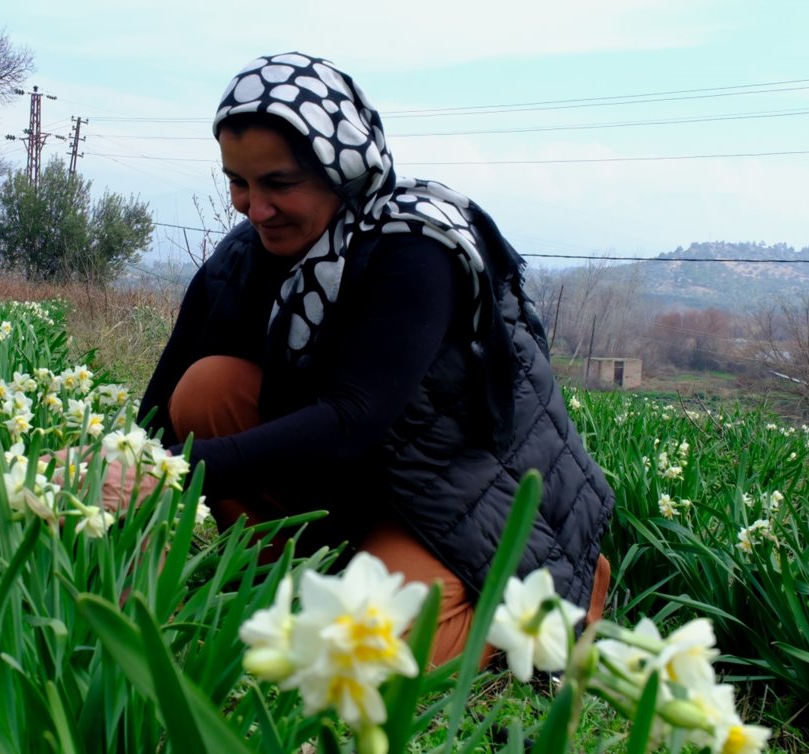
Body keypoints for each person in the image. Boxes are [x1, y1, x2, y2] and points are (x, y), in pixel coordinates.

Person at [137, 52, 615, 666]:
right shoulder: (251, 252)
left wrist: (171, 471)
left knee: (366, 655)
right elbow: (166, 391)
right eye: (238, 182)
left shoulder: (416, 248)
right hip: (357, 483)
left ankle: (552, 608)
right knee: (206, 388)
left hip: (455, 491)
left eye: (279, 183)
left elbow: (350, 419)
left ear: (343, 167)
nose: (255, 208)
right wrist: (120, 472)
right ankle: (287, 578)